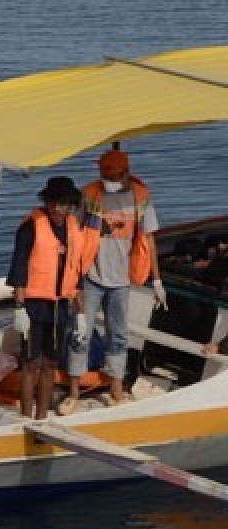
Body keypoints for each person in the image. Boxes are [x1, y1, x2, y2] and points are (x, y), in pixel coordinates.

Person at [60, 149, 166, 413]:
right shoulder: (89, 195)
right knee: (79, 332)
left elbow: (150, 240)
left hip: (120, 281)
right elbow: (72, 233)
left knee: (118, 335)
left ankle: (116, 389)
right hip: (90, 277)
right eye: (103, 174)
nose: (105, 179)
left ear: (125, 173)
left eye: (111, 175)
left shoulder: (141, 198)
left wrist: (156, 281)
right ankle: (73, 391)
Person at [6, 177, 90, 419]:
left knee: (51, 363)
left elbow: (77, 273)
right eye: (53, 203)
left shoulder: (74, 229)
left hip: (60, 305)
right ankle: (25, 417)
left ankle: (41, 417)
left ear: (70, 205)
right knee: (30, 363)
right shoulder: (31, 227)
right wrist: (19, 307)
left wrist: (81, 314)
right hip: (33, 304)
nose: (56, 208)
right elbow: (18, 269)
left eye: (62, 204)